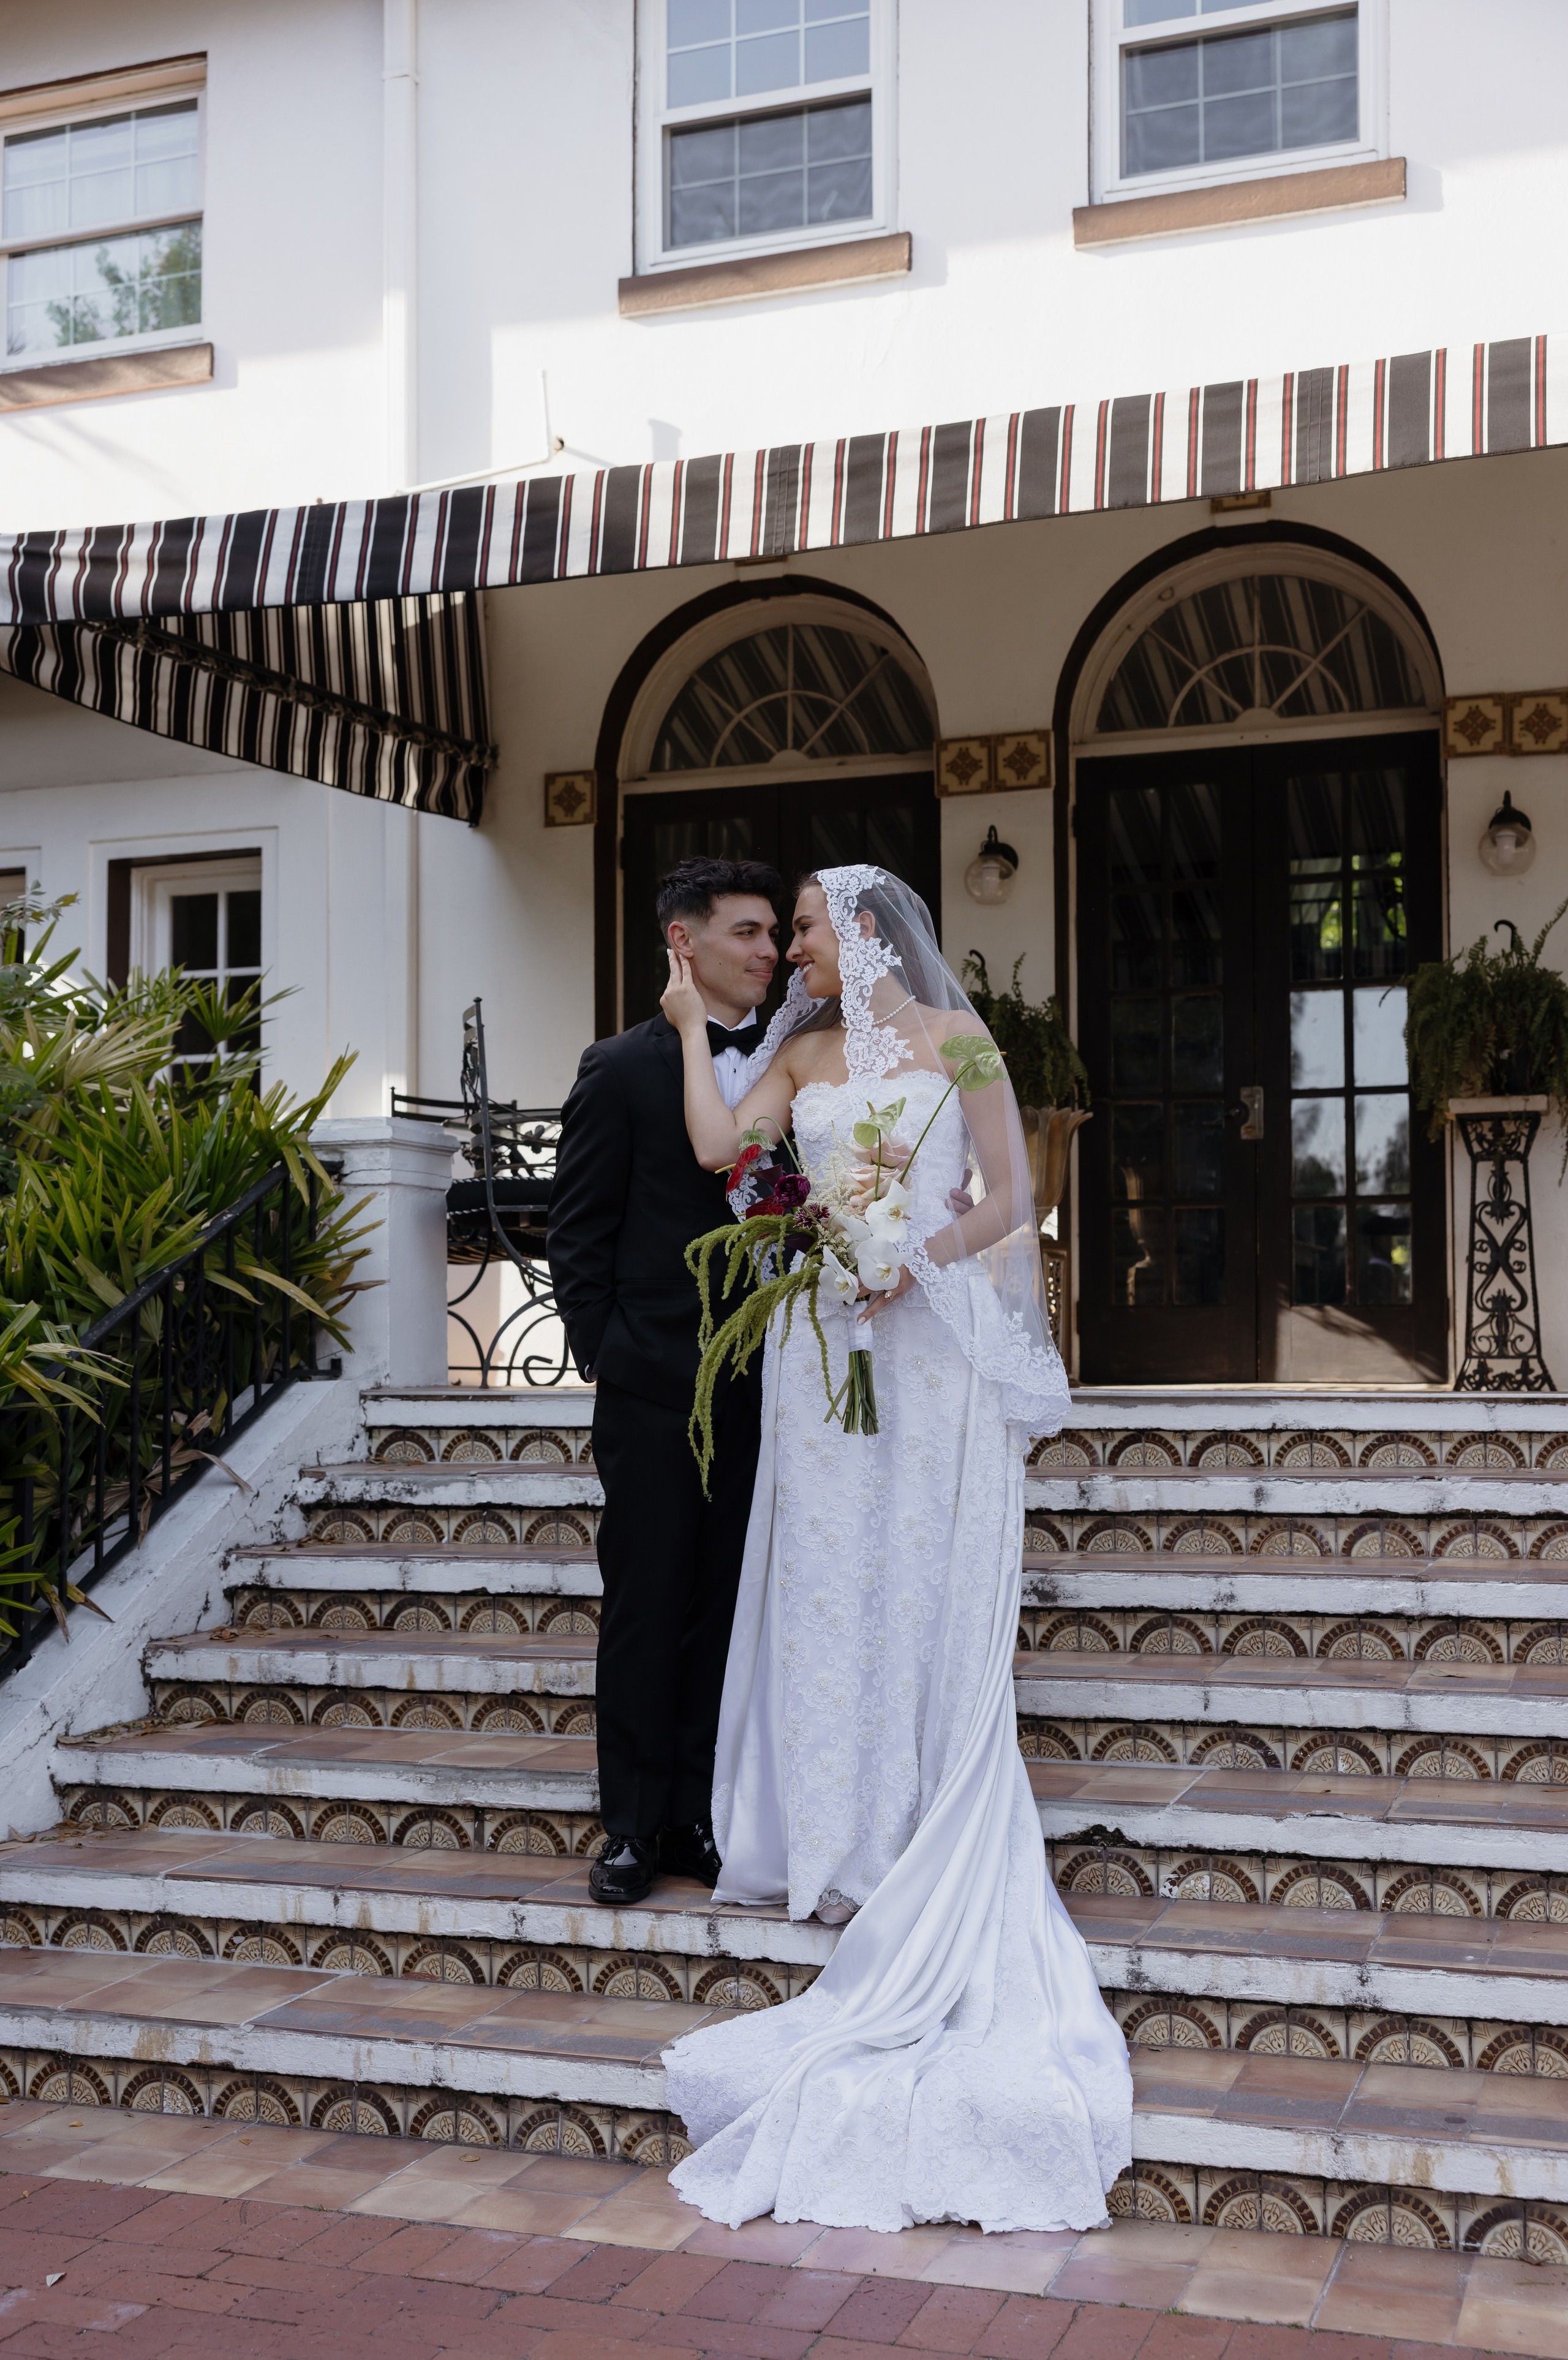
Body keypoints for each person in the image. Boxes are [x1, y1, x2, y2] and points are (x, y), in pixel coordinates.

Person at [655, 863, 1133, 2234]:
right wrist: (693, 1026)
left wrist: (908, 1248)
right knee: (827, 1590)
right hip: (821, 1356)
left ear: (860, 934)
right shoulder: (793, 1051)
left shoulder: (958, 1040)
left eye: (801, 925)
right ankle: (833, 1834)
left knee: (910, 1585)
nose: (787, 946)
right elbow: (719, 1158)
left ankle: (915, 1823)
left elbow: (1012, 1187)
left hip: (922, 1351)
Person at [548, 855, 783, 1906]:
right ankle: (633, 1826)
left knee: (727, 1600)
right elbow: (578, 1229)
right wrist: (611, 1352)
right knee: (648, 1599)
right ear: (684, 942)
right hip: (654, 1379)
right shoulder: (620, 1066)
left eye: (777, 934)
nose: (770, 951)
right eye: (748, 933)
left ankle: (697, 1815)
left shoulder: (799, 1059)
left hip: (770, 1380)